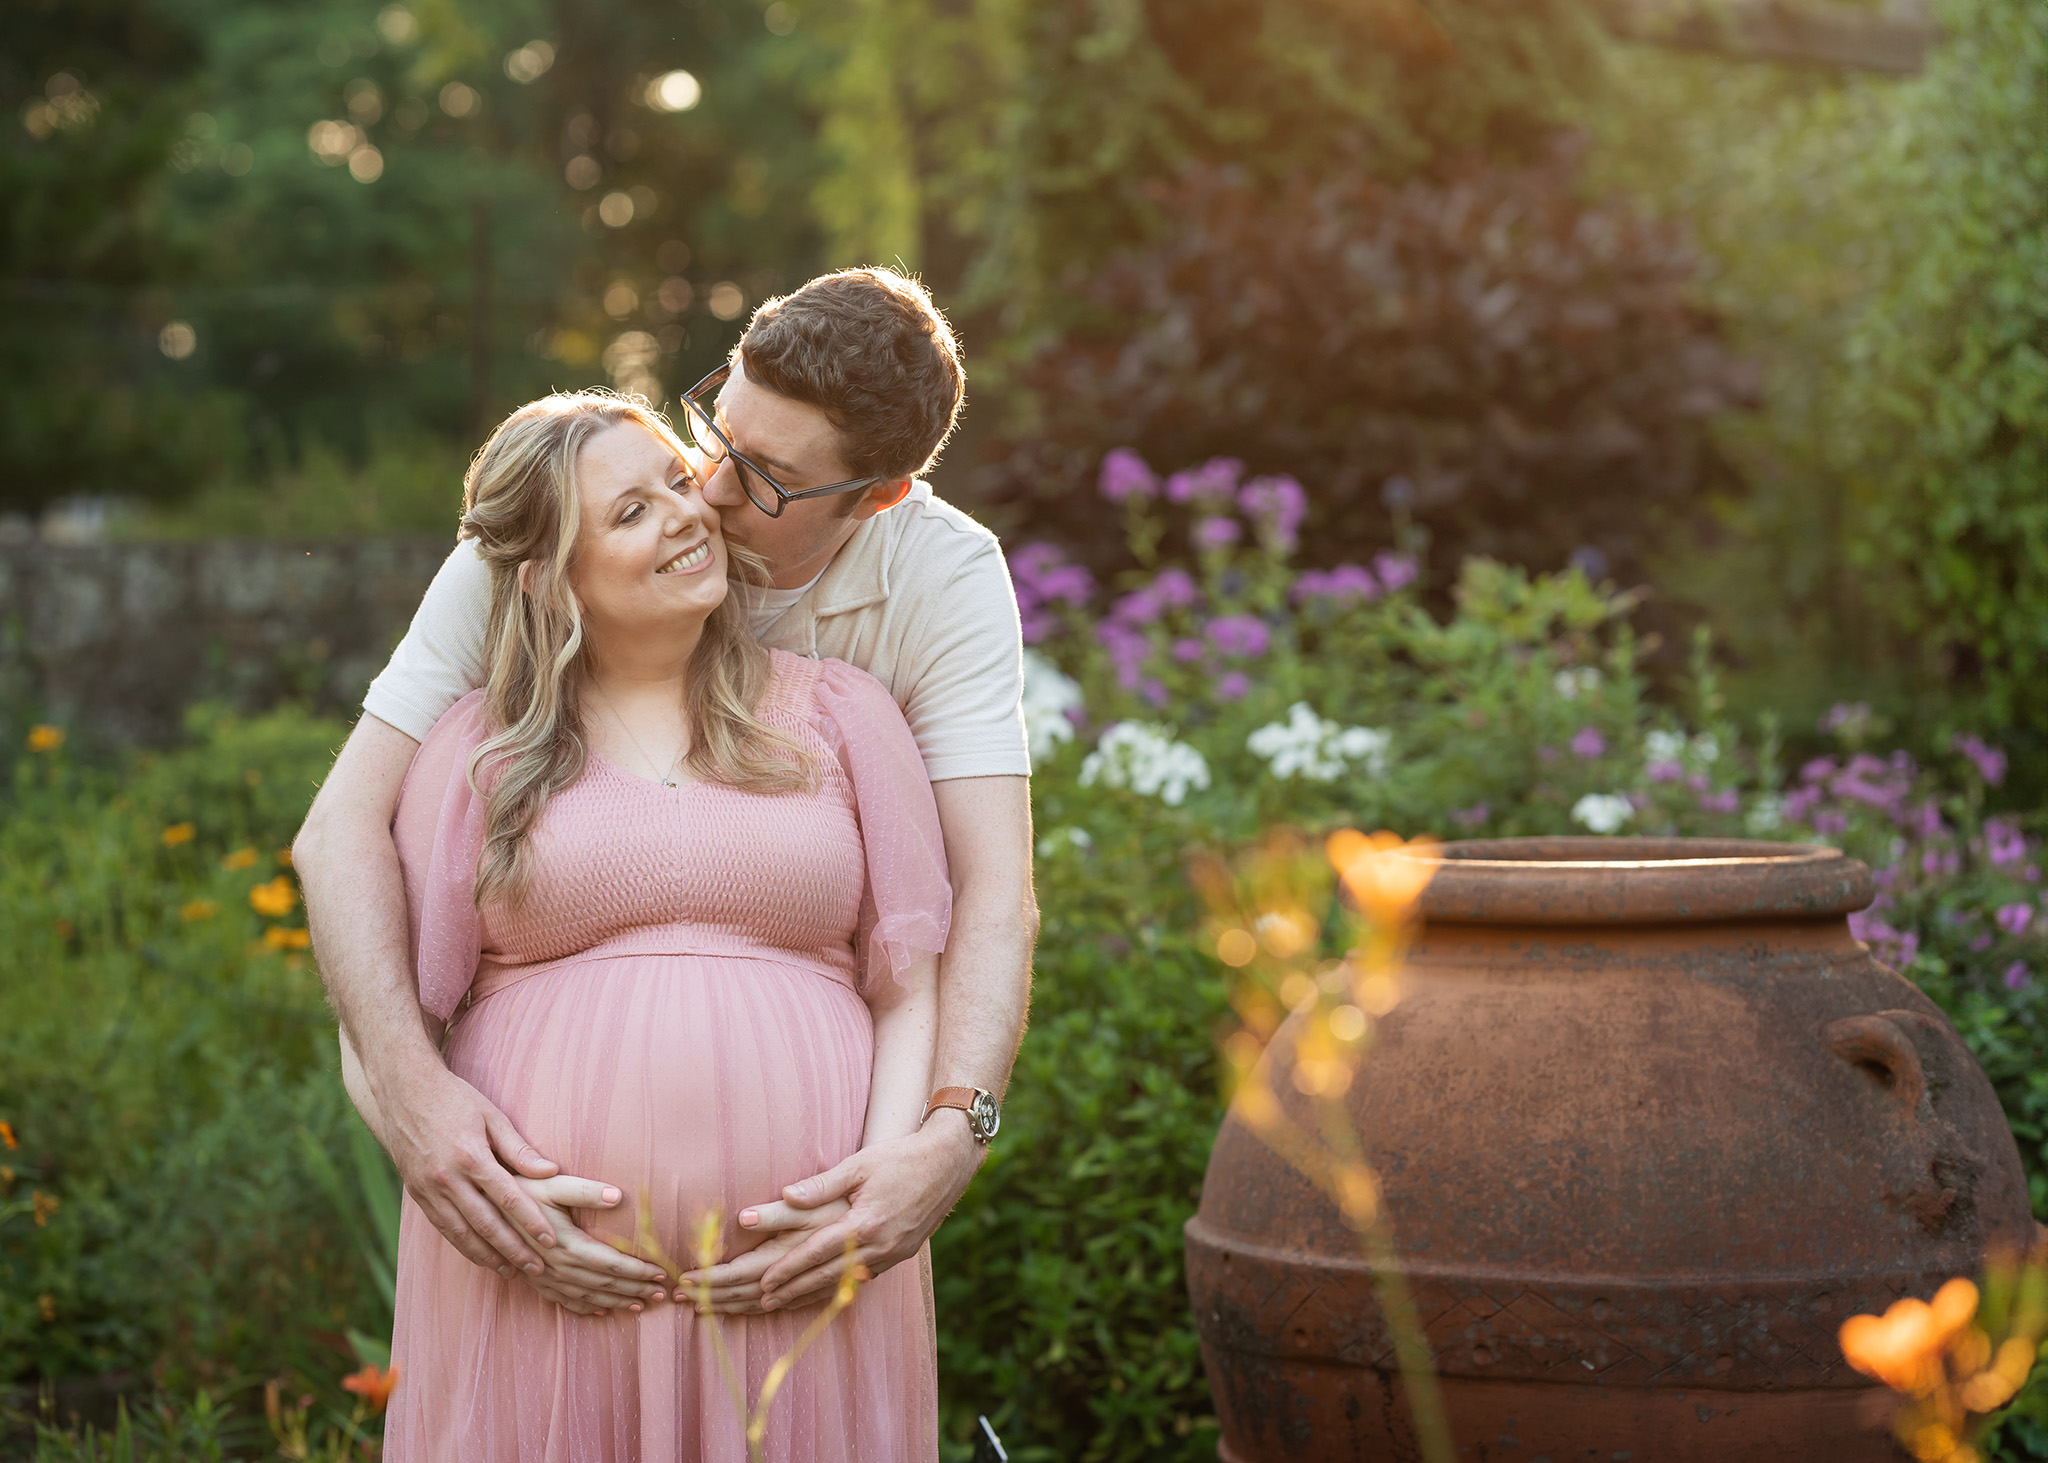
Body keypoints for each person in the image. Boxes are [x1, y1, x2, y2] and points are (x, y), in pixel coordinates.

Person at [295, 268, 1035, 1325]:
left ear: (877, 496)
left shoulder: (941, 580)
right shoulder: (535, 548)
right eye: (715, 429)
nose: (712, 493)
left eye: (767, 476)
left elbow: (986, 891)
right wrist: (414, 1111)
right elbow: (343, 834)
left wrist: (949, 1136)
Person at [362, 389, 947, 1457]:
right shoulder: (475, 752)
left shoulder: (841, 711)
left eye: (678, 481)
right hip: (539, 1285)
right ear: (549, 578)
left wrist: (883, 1179)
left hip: (808, 1273)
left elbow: (909, 980)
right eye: (629, 512)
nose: (684, 514)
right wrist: (461, 1182)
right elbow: (383, 1025)